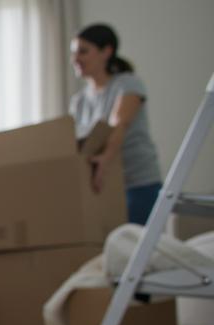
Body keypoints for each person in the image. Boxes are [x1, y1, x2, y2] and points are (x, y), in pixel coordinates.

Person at [69, 23, 162, 226]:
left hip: (137, 183)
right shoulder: (79, 102)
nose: (75, 59)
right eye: (74, 53)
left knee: (137, 249)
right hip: (102, 186)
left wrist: (106, 159)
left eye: (83, 52)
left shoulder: (128, 84)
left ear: (106, 51)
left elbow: (120, 123)